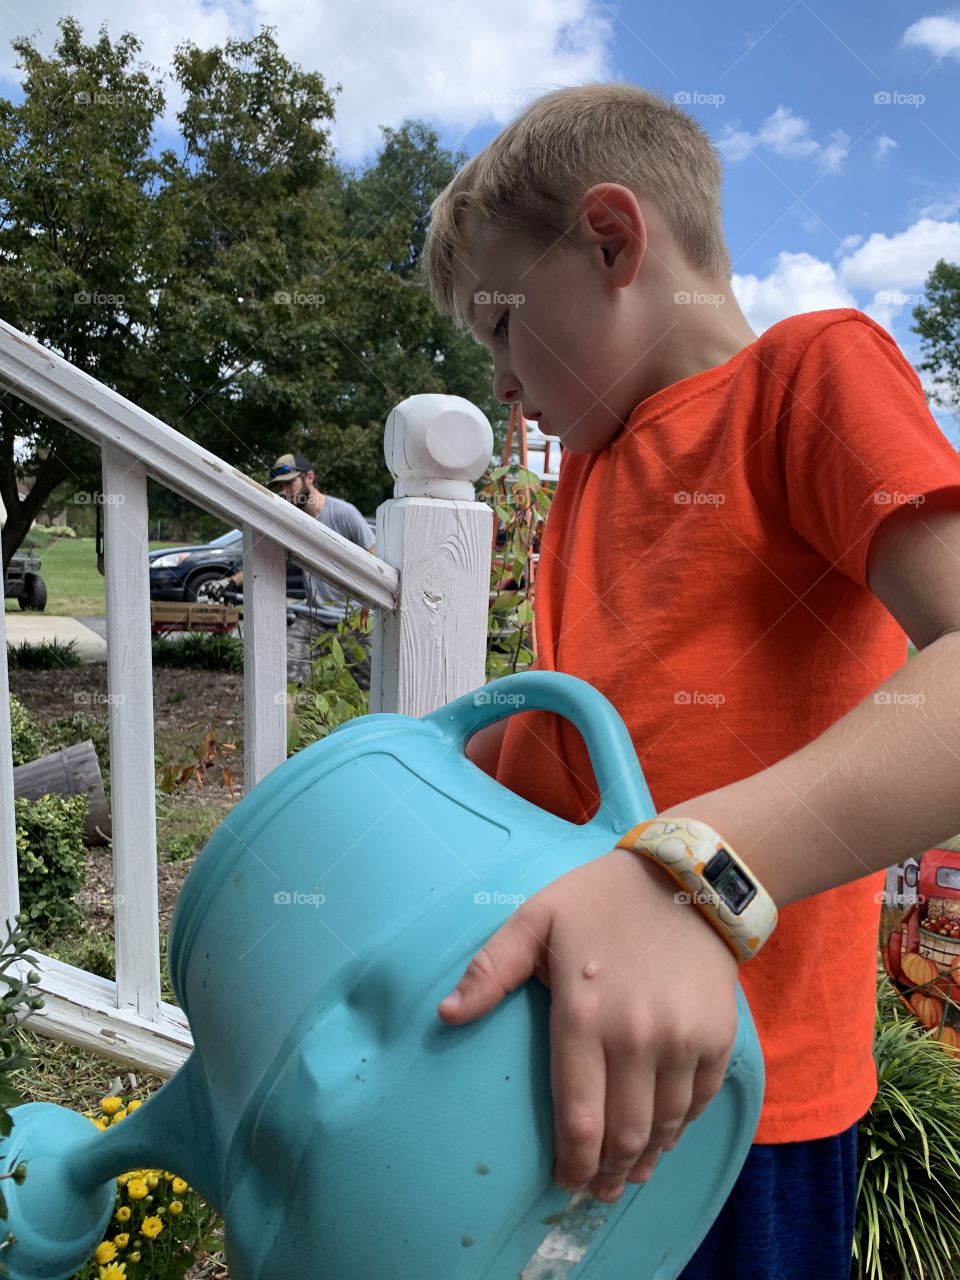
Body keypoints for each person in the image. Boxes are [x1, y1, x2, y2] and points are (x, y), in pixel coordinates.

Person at [420, 82, 960, 1279]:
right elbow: (577, 737)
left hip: (740, 1099)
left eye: (502, 324)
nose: (501, 382)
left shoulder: (806, 379)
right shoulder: (592, 477)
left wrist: (690, 875)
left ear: (613, 240)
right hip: (574, 1070)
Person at [204, 453, 376, 688]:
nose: (285, 490)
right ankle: (290, 723)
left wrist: (365, 611)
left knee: (375, 683)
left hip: (353, 620)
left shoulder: (344, 514)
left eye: (290, 482)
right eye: (281, 486)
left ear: (310, 477)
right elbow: (267, 563)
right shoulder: (291, 526)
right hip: (314, 619)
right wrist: (230, 582)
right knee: (285, 674)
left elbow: (374, 559)